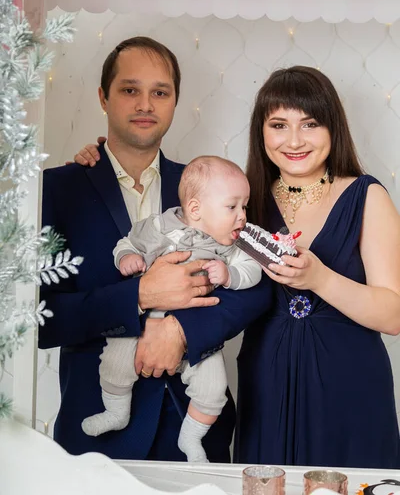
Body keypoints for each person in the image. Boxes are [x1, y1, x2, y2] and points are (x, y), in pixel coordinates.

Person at [39, 36, 272, 462]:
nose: (145, 104)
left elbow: (259, 287)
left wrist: (183, 333)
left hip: (195, 432)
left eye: (160, 92)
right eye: (130, 90)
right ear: (103, 98)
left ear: (175, 102)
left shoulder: (209, 184)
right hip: (96, 436)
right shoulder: (56, 188)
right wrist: (140, 296)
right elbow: (40, 318)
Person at [234, 66, 400, 468]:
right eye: (278, 124)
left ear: (333, 129)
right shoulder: (242, 199)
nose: (294, 140)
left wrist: (319, 278)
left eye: (309, 123)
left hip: (351, 384)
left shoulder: (366, 194)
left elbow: (393, 314)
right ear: (262, 132)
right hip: (266, 382)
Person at [81, 155, 262, 463]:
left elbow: (254, 275)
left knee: (213, 388)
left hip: (197, 341)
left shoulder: (232, 245)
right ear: (195, 209)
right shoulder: (159, 227)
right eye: (233, 207)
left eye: (244, 206)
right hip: (139, 325)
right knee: (115, 358)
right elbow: (126, 244)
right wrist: (127, 259)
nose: (242, 216)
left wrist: (230, 275)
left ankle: (191, 438)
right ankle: (116, 411)